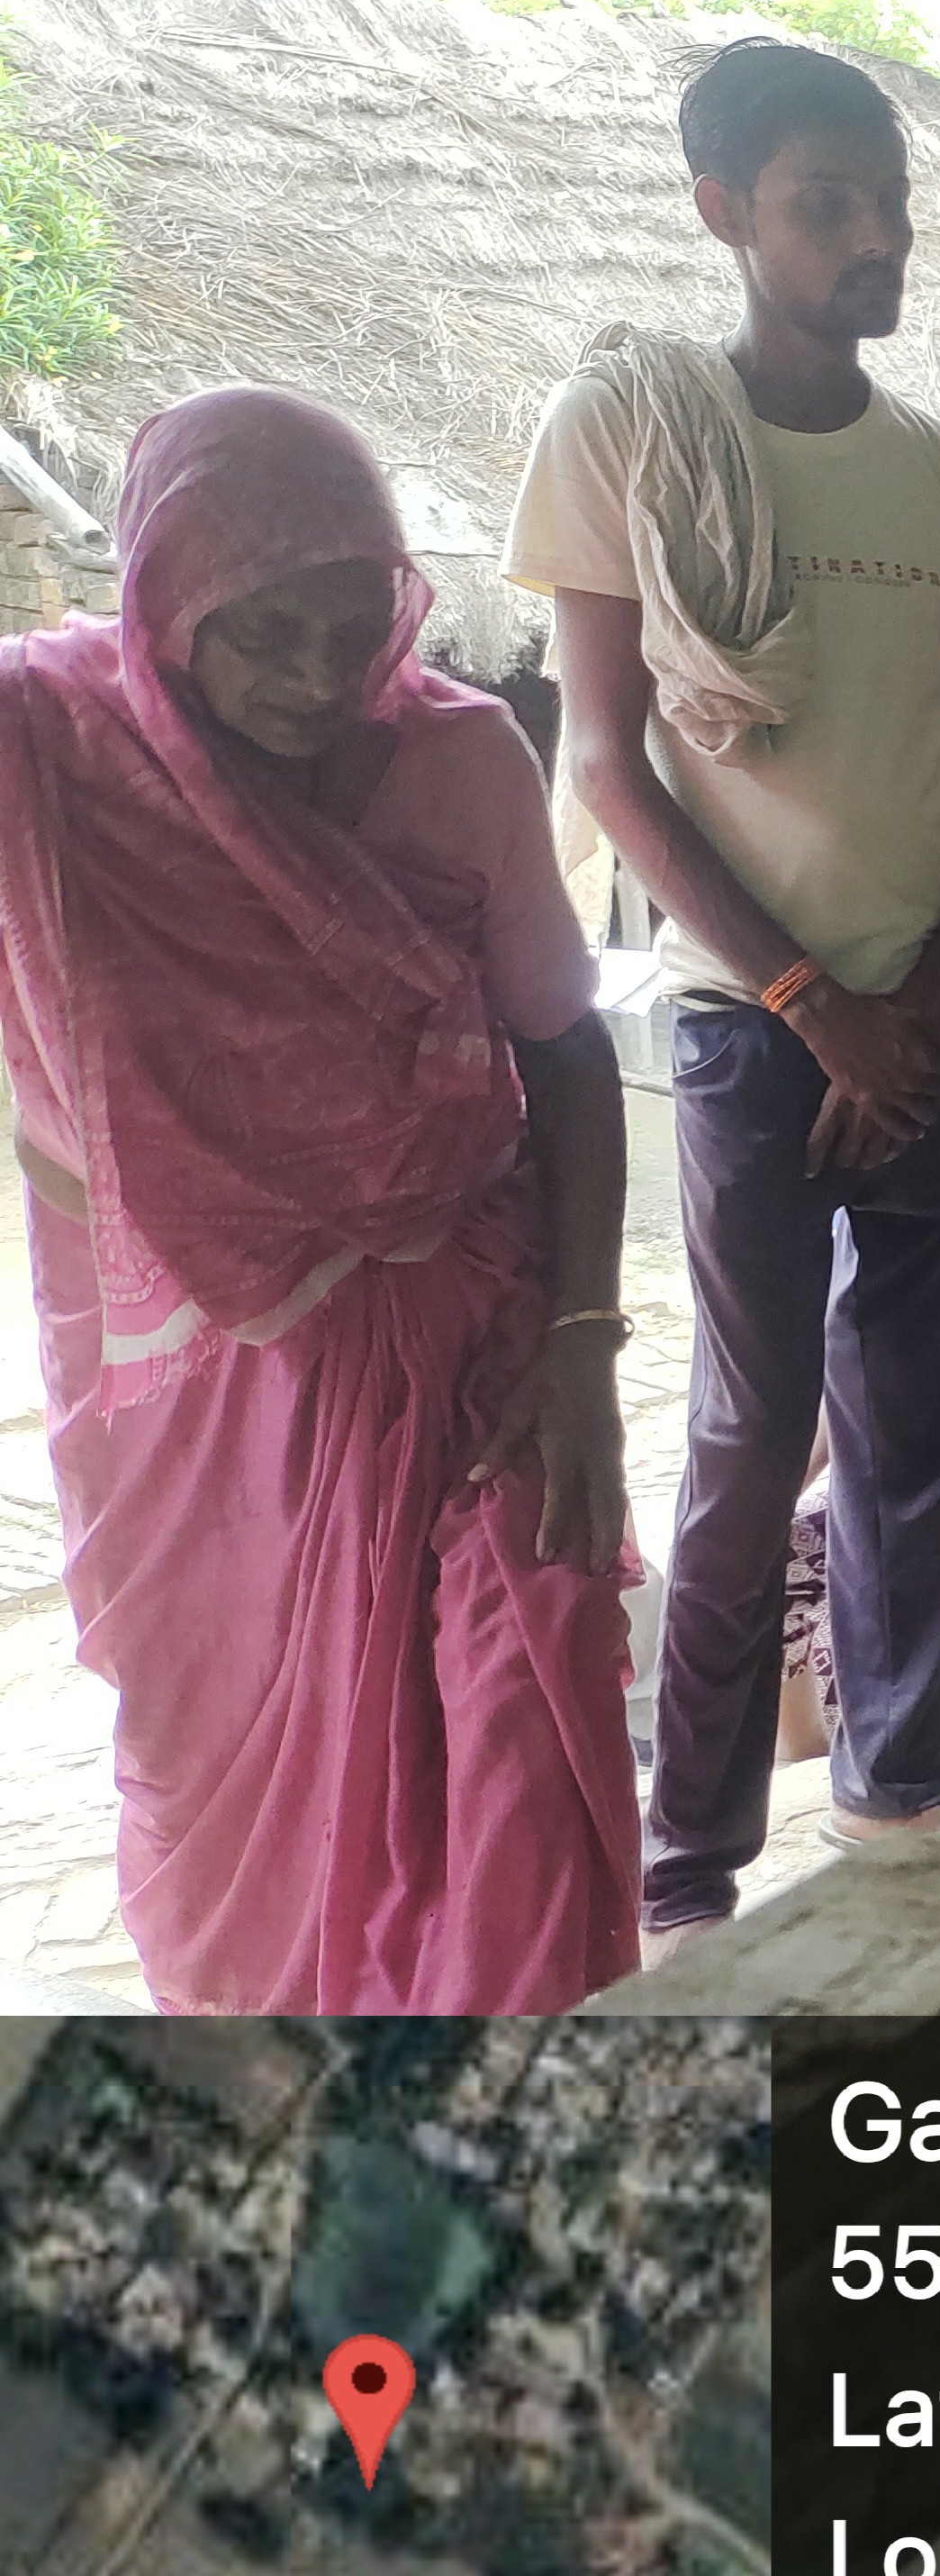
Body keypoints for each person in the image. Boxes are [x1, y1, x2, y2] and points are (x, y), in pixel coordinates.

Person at [509, 38, 940, 1950]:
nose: (873, 238)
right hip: (757, 1028)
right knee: (750, 1435)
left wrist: (921, 1011)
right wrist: (824, 1005)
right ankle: (691, 1861)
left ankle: (898, 1801)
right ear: (723, 212)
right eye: (827, 205)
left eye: (889, 205)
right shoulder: (632, 438)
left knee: (917, 1436)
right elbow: (610, 768)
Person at [0, 389, 640, 2010]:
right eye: (263, 632)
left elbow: (564, 1048)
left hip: (463, 1323)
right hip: (206, 1390)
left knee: (517, 1728)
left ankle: (499, 2108)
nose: (315, 679)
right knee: (234, 1794)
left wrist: (584, 1342)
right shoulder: (50, 756)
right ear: (163, 604)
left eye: (354, 632)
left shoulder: (459, 758)